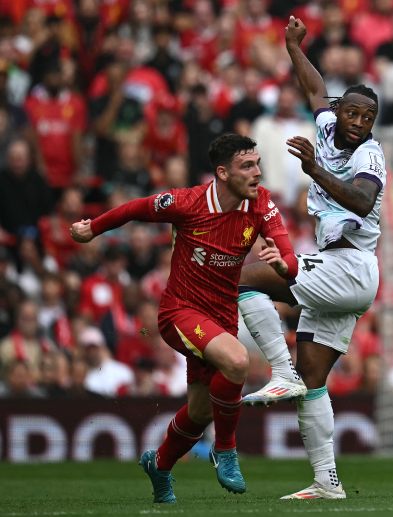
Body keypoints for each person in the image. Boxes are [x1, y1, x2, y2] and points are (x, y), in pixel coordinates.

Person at [70, 133, 296, 503]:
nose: (257, 173)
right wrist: (92, 228)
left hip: (221, 317)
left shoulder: (262, 204)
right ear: (222, 173)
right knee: (238, 361)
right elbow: (136, 208)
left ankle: (159, 465)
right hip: (180, 312)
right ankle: (226, 451)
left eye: (258, 164)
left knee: (201, 410)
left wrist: (282, 264)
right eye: (247, 166)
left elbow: (289, 260)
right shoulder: (188, 202)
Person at [235, 16, 384, 500]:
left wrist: (314, 169)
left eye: (368, 118)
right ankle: (327, 481)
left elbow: (362, 201)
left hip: (351, 267)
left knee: (242, 279)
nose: (359, 124)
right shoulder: (325, 121)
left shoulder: (370, 156)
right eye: (354, 114)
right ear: (340, 112)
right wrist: (293, 45)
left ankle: (278, 371)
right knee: (314, 382)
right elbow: (316, 87)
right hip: (337, 268)